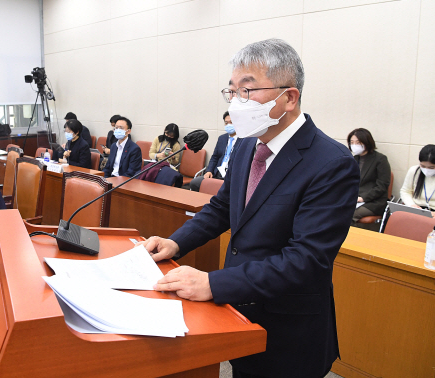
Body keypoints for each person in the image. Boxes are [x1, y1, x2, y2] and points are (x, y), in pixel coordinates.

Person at [140, 39, 359, 378]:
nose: (238, 101)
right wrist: (176, 243)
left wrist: (215, 283)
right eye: (232, 91)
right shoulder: (246, 144)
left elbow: (307, 258)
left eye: (248, 89)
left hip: (289, 331)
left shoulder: (332, 163)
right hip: (237, 316)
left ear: (289, 97)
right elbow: (223, 207)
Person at [347, 128, 391, 224]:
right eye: (352, 142)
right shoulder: (353, 159)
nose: (354, 145)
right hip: (354, 199)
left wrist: (363, 198)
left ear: (367, 142)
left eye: (358, 142)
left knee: (347, 214)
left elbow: (382, 185)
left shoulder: (380, 159)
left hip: (373, 202)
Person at [190, 111, 237, 191]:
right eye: (226, 123)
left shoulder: (243, 140)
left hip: (230, 176)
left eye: (231, 122)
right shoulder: (222, 138)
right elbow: (215, 157)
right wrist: (209, 171)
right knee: (195, 183)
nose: (228, 125)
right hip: (216, 174)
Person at [400, 144, 435, 216]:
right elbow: (405, 191)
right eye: (423, 166)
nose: (426, 170)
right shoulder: (414, 171)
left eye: (431, 167)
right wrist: (411, 205)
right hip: (417, 210)